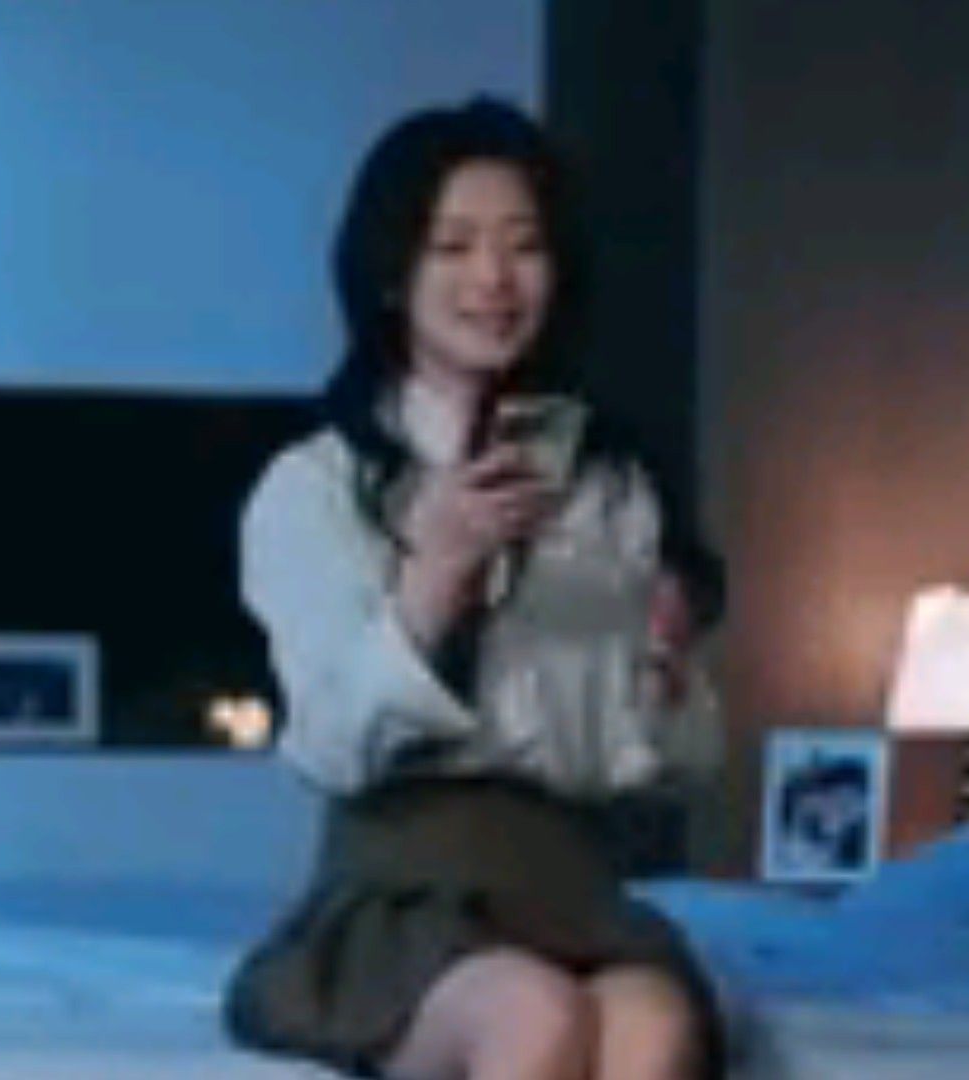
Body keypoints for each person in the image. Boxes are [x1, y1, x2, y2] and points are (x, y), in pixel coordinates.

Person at [224, 97, 729, 1080]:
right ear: (392, 275)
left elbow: (669, 768)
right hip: (406, 891)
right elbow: (327, 746)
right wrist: (431, 581)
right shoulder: (317, 486)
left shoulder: (610, 486)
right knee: (535, 1017)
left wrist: (664, 677)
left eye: (523, 247)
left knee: (651, 1032)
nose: (493, 280)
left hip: (573, 887)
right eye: (452, 247)